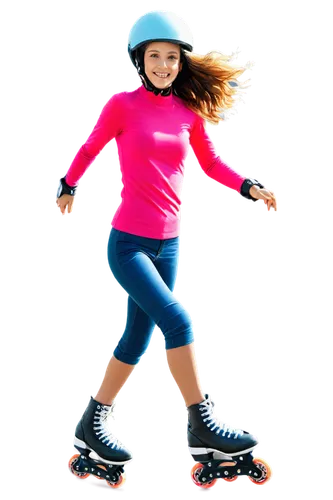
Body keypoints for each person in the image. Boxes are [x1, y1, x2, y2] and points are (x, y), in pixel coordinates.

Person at [61, 9, 276, 490]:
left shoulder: (187, 112)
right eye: (154, 56)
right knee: (177, 321)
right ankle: (202, 422)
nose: (163, 64)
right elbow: (90, 148)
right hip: (129, 243)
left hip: (169, 243)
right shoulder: (122, 105)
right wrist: (68, 184)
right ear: (139, 61)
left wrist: (247, 186)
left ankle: (89, 425)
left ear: (181, 63)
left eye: (171, 57)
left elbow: (210, 164)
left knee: (136, 339)